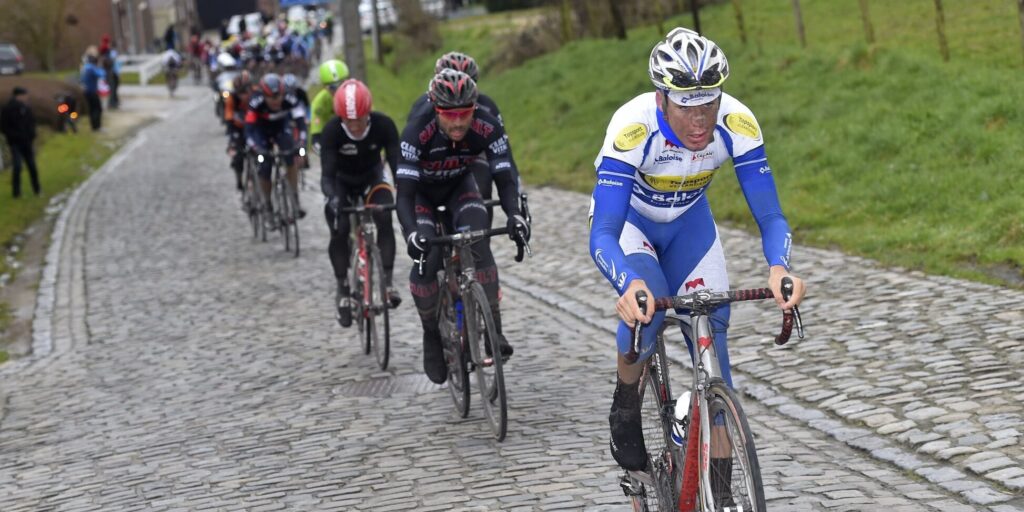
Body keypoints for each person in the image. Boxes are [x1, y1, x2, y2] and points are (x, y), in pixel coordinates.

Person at [588, 28, 807, 498]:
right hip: (632, 225)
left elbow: (770, 215)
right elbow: (602, 233)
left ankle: (722, 497)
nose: (700, 118)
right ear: (661, 97)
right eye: (687, 104)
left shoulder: (737, 122)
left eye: (709, 103)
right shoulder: (633, 126)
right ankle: (626, 405)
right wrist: (627, 284)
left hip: (689, 225)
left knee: (717, 358)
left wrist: (779, 266)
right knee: (651, 312)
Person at [396, 69, 529, 384]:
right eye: (449, 115)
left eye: (464, 114)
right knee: (426, 259)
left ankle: (493, 331)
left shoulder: (487, 125)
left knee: (478, 239)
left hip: (460, 187)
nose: (458, 122)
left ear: (474, 107)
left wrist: (515, 215)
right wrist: (412, 233)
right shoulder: (418, 131)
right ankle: (431, 335)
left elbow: (505, 178)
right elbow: (404, 195)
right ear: (435, 109)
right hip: (423, 197)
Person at [321, 79, 402, 327]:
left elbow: (397, 165)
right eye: (349, 120)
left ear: (369, 113)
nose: (354, 126)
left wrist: (405, 191)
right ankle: (343, 288)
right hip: (341, 182)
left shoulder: (384, 125)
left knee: (384, 216)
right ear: (340, 117)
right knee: (340, 227)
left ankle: (387, 283)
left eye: (360, 119)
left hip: (372, 178)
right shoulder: (333, 130)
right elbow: (326, 175)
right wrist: (333, 199)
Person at [406, 52, 511, 223]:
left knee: (483, 188)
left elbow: (504, 150)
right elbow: (412, 146)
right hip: (434, 163)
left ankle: (479, 232)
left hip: (471, 155)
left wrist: (514, 181)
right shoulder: (422, 108)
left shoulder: (487, 106)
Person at [245, 73, 308, 225]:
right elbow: (248, 131)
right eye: (271, 98)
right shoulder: (255, 103)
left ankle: (294, 198)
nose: (276, 100)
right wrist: (255, 147)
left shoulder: (290, 100)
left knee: (290, 157)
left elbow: (301, 123)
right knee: (265, 167)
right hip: (261, 131)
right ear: (264, 95)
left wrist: (301, 142)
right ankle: (267, 205)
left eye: (279, 96)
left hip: (281, 128)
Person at [1, 87, 41, 198]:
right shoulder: (8, 109)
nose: (26, 97)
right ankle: (16, 192)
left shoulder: (26, 108)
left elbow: (32, 122)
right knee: (17, 166)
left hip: (27, 141)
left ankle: (37, 189)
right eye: (24, 95)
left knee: (32, 166)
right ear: (18, 96)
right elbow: (4, 127)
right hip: (15, 143)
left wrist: (32, 135)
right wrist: (13, 137)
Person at [308, 59, 349, 153]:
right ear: (325, 87)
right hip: (332, 141)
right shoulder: (319, 102)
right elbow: (316, 137)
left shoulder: (357, 94)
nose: (339, 90)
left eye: (342, 84)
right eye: (333, 87)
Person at [224, 71, 254, 191]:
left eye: (247, 91)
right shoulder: (232, 99)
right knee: (238, 155)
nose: (245, 95)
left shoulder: (256, 95)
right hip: (238, 128)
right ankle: (239, 178)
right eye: (241, 92)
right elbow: (229, 117)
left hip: (253, 127)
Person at [80, 48, 106, 132]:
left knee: (91, 109)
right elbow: (101, 74)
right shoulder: (91, 68)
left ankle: (93, 127)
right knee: (98, 109)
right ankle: (97, 127)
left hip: (86, 91)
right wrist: (100, 66)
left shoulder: (84, 68)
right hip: (92, 91)